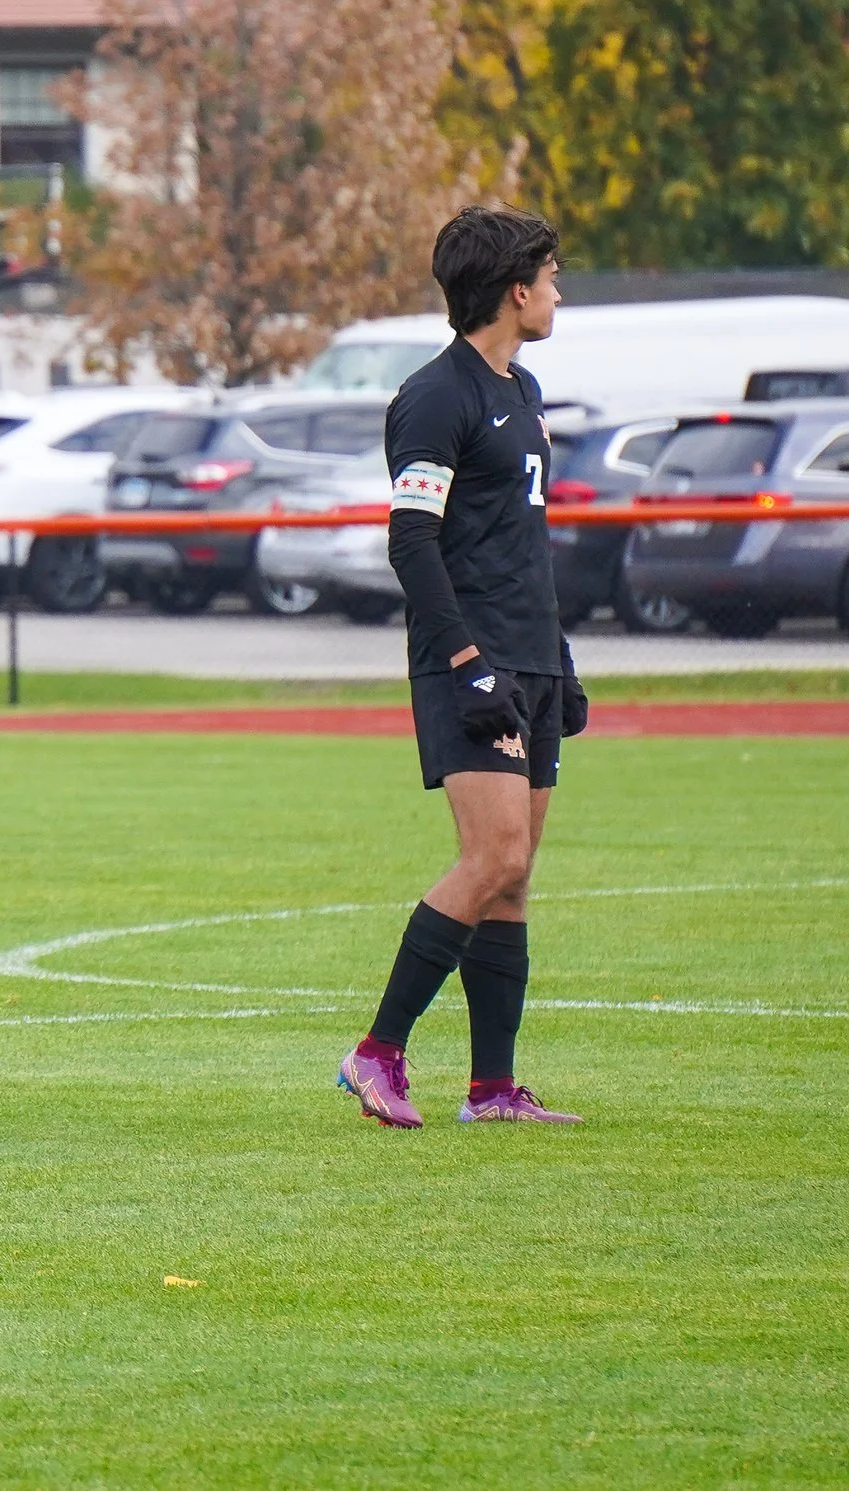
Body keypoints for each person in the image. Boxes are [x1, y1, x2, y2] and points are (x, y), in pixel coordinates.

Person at [336, 205, 590, 1128]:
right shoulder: (435, 397)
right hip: (470, 661)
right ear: (515, 289)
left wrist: (557, 660)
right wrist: (467, 659)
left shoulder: (522, 389)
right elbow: (413, 542)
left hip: (531, 658)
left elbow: (519, 541)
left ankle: (492, 1089)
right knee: (495, 855)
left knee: (514, 879)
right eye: (551, 276)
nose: (558, 292)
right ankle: (375, 1053)